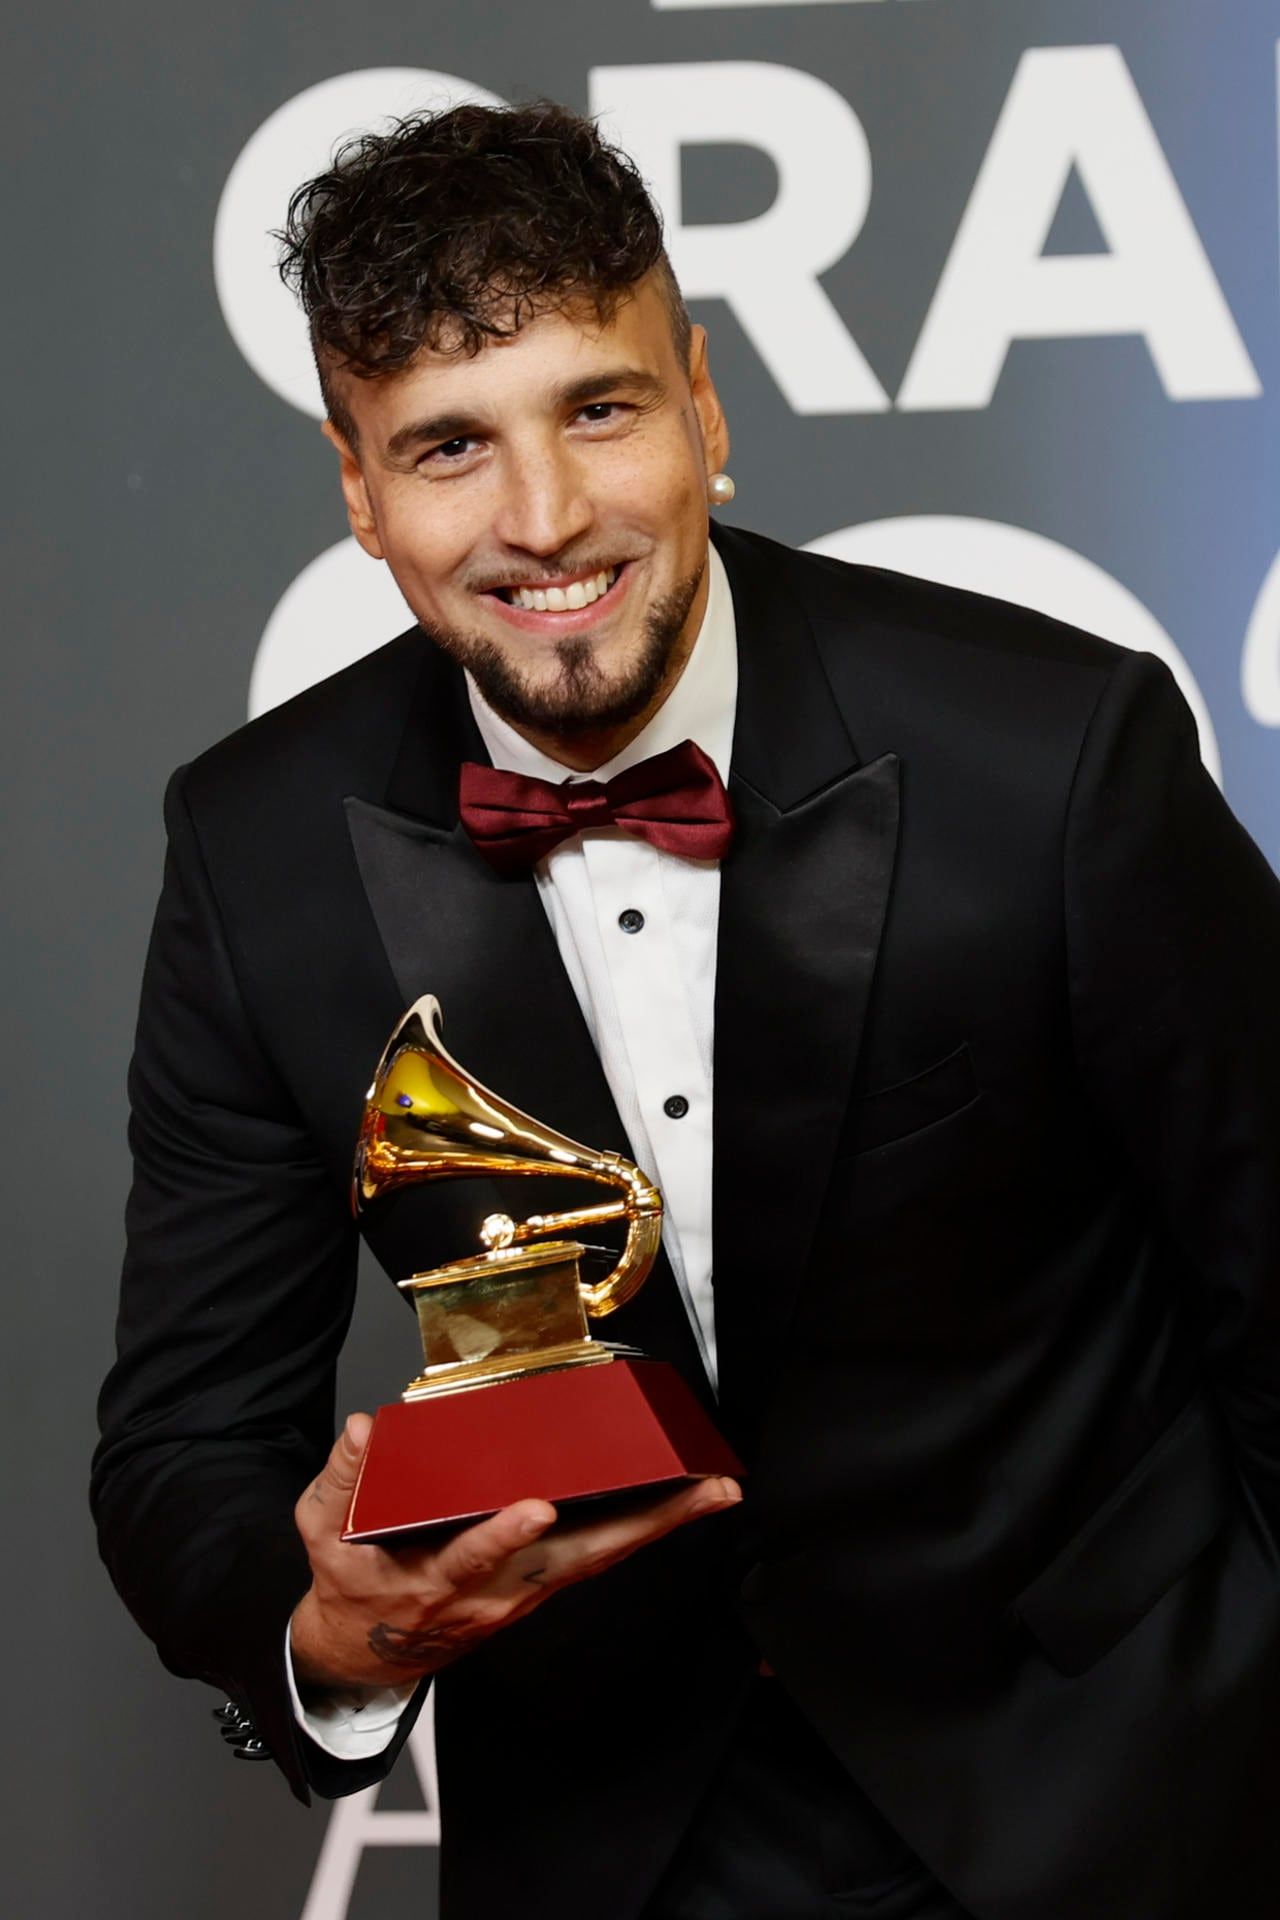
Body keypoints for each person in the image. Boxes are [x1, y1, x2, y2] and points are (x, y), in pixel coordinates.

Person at [92, 101, 1280, 1920]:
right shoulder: (251, 854)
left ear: (704, 404)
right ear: (355, 486)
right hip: (611, 1849)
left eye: (600, 406)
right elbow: (181, 1447)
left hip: (1115, 1805)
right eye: (446, 447)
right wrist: (326, 1624)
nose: (544, 519)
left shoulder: (1054, 753)